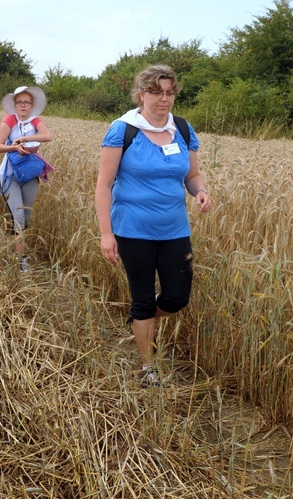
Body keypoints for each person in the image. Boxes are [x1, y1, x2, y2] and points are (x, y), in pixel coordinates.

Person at [95, 65, 212, 387]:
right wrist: (107, 234)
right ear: (142, 94)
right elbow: (104, 185)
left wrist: (200, 191)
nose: (165, 99)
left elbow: (191, 175)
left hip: (174, 228)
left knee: (177, 297)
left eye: (170, 92)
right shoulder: (124, 130)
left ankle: (140, 321)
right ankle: (148, 367)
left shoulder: (183, 130)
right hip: (132, 228)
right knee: (143, 297)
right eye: (158, 92)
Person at [0, 86, 53, 273]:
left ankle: (15, 244)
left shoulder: (35, 121)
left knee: (26, 216)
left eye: (26, 102)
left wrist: (25, 138)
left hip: (29, 174)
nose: (23, 105)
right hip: (10, 174)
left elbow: (48, 136)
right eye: (19, 102)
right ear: (14, 104)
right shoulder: (9, 120)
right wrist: (15, 147)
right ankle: (22, 260)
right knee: (18, 216)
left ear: (32, 105)